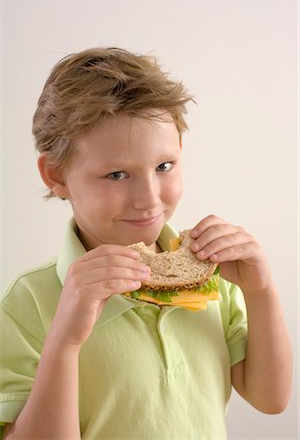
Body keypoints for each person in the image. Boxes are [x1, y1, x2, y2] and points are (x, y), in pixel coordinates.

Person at [0, 47, 292, 440]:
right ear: (56, 174)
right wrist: (64, 344)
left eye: (163, 167)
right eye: (117, 174)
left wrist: (261, 291)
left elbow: (271, 399)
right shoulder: (28, 301)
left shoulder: (215, 276)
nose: (150, 199)